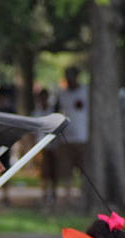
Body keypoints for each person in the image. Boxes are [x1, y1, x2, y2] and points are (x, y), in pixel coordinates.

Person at [49, 66, 88, 206]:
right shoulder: (62, 94)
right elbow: (55, 112)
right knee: (66, 171)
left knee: (83, 169)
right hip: (66, 138)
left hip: (83, 137)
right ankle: (68, 197)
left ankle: (82, 196)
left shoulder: (86, 91)